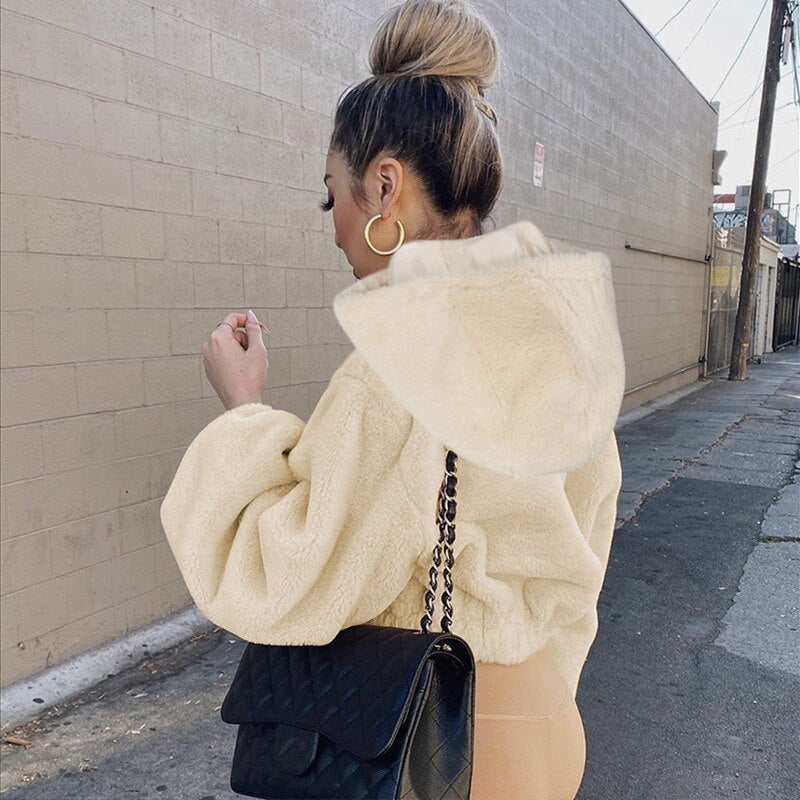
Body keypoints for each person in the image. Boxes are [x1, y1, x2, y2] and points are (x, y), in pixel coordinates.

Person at [159, 1, 626, 797]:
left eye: (331, 196)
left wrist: (244, 412)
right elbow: (585, 547)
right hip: (538, 716)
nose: (334, 226)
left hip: (439, 743)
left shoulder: (402, 362)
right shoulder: (550, 337)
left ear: (384, 188)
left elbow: (290, 577)